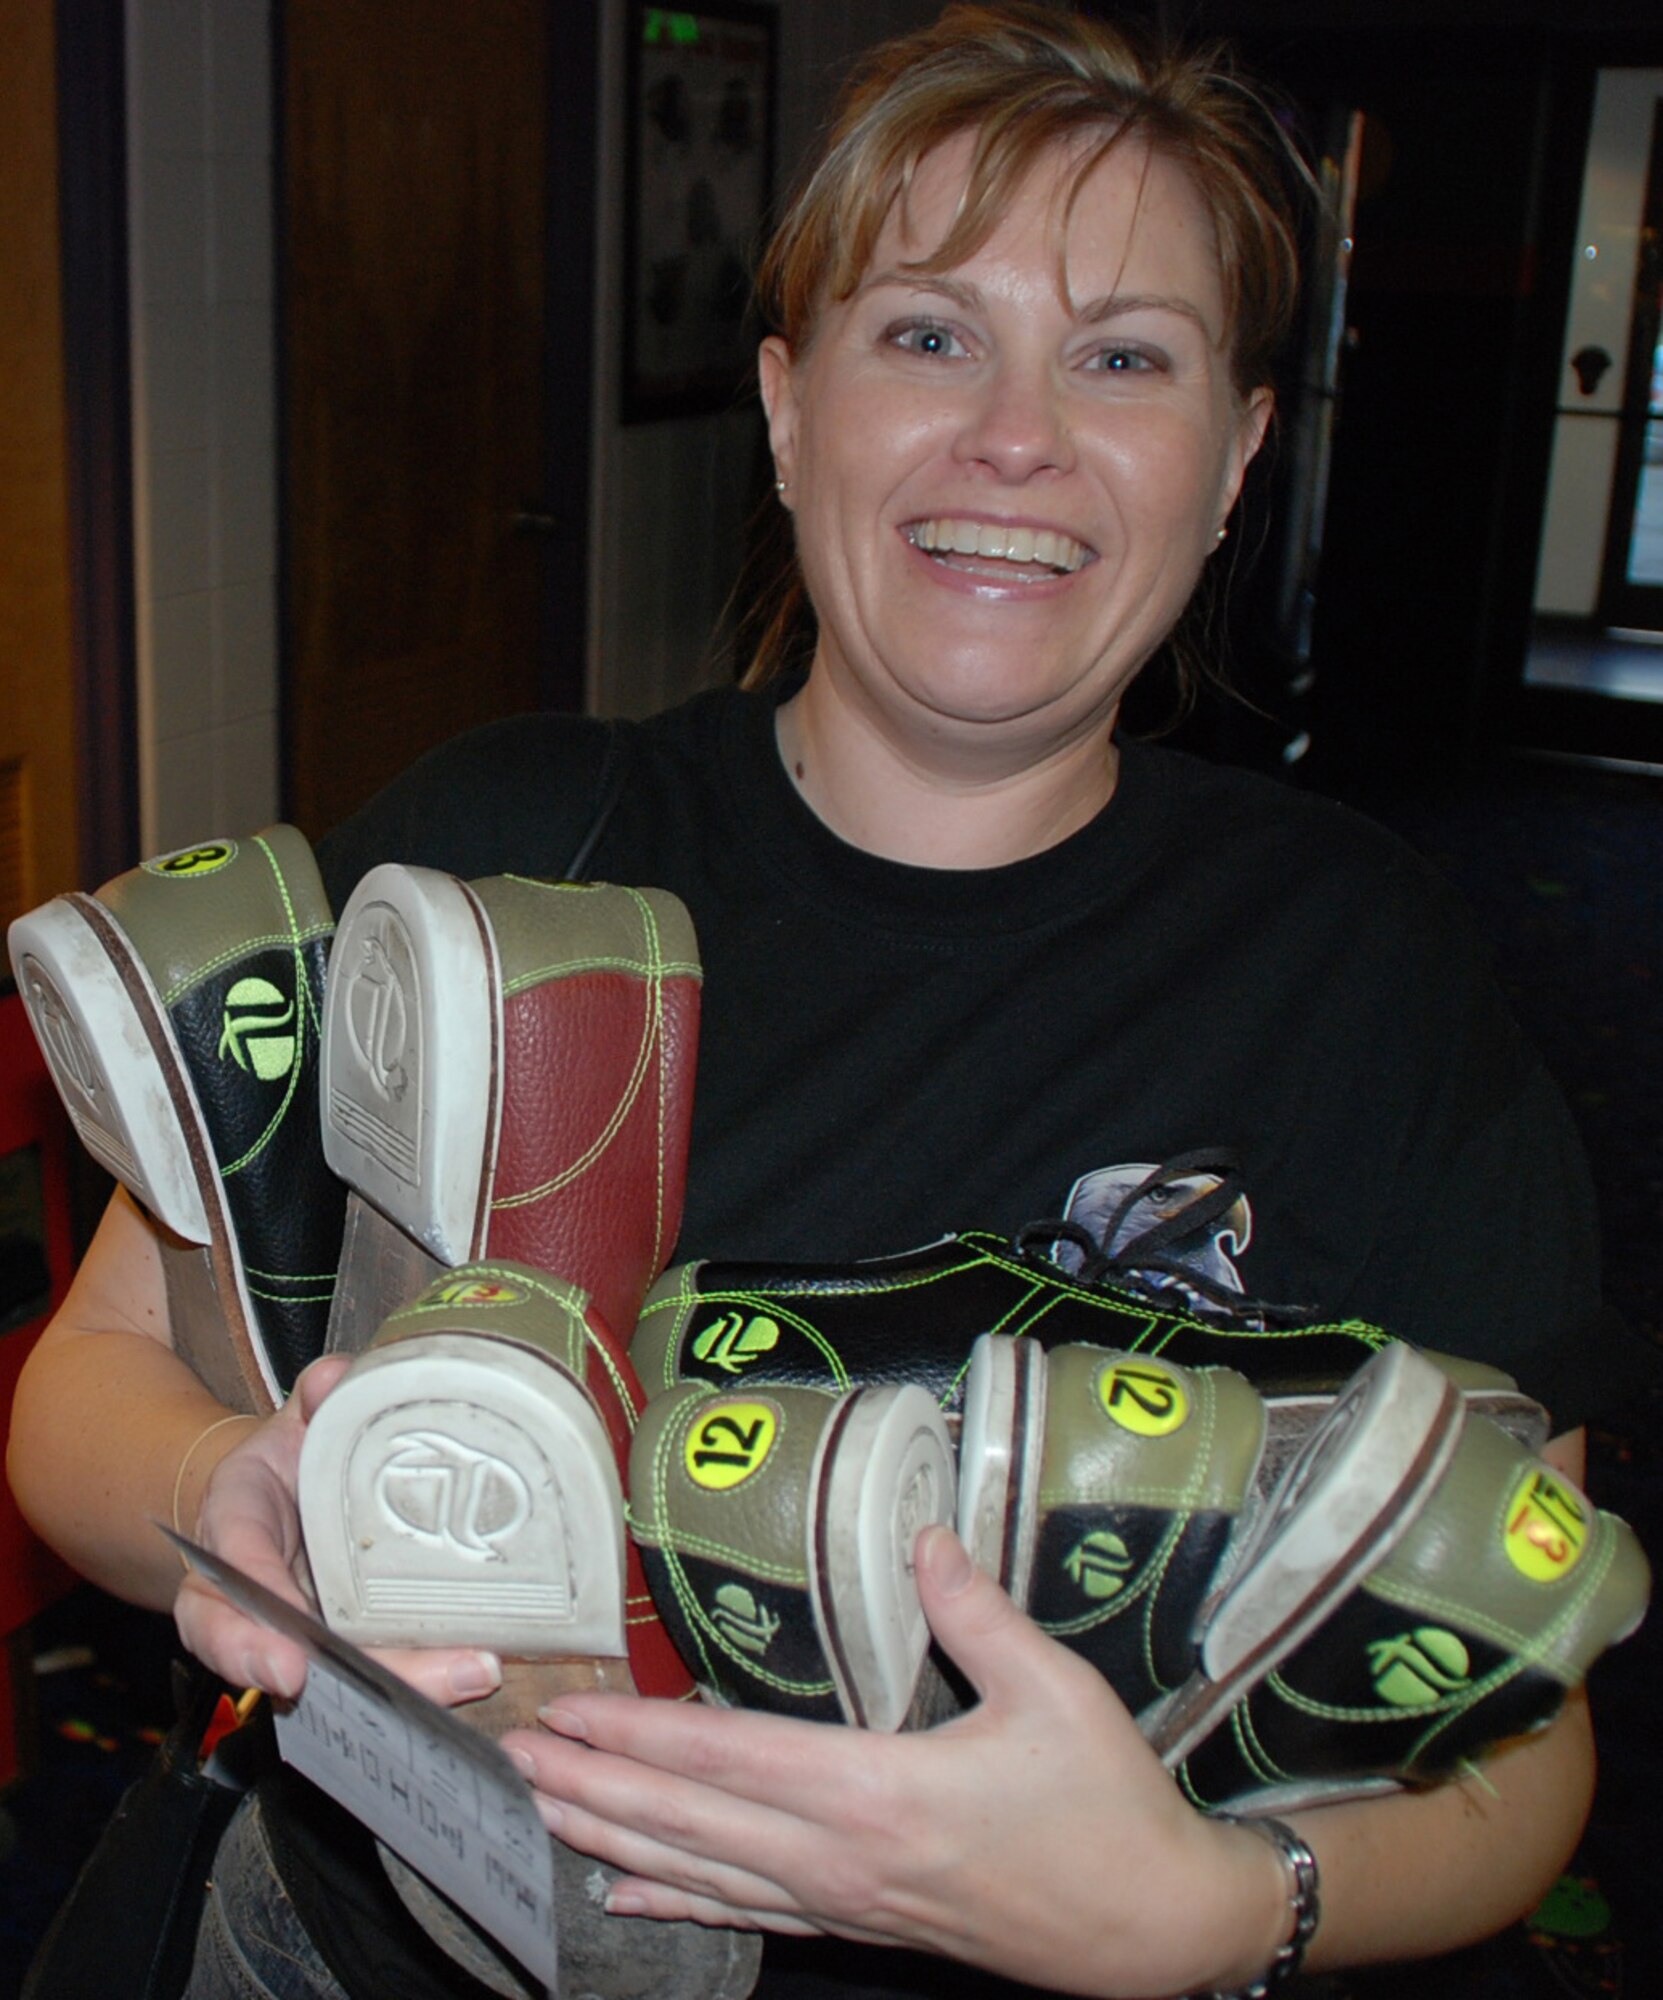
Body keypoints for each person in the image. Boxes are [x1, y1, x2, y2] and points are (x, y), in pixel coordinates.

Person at [9, 5, 1622, 1996]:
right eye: (927, 332)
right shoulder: (507, 846)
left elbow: (1520, 1723)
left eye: (1123, 356)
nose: (1015, 433)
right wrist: (218, 1494)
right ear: (788, 410)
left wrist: (1218, 1906)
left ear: (1236, 457)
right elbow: (85, 1386)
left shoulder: (1363, 971)